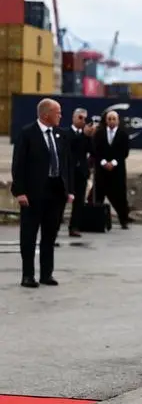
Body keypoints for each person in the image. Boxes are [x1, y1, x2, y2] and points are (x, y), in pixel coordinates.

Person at [10, 98, 75, 288]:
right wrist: (20, 192)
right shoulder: (27, 133)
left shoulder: (60, 135)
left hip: (55, 193)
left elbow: (67, 164)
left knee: (50, 235)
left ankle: (47, 274)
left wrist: (69, 190)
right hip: (33, 193)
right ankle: (28, 275)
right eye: (58, 112)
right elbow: (18, 164)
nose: (61, 116)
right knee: (29, 236)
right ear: (46, 114)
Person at [92, 109, 131, 229]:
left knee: (120, 196)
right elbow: (95, 150)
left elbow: (124, 152)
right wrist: (103, 162)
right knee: (98, 196)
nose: (111, 121)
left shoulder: (123, 134)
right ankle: (96, 220)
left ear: (118, 120)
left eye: (114, 119)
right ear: (106, 120)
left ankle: (123, 220)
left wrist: (113, 163)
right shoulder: (99, 133)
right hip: (101, 170)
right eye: (109, 119)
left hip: (117, 170)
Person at [61, 107, 94, 237]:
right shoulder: (66, 133)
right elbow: (71, 147)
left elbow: (92, 151)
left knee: (79, 201)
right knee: (62, 200)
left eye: (85, 119)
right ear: (74, 118)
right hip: (68, 173)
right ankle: (55, 226)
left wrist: (88, 137)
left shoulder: (86, 136)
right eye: (80, 118)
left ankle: (74, 226)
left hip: (81, 173)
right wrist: (83, 136)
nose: (82, 121)